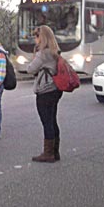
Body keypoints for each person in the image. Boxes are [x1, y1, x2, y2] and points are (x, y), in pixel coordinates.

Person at [26, 25, 63, 163]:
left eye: (36, 36)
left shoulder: (43, 54)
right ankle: (55, 151)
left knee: (46, 121)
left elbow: (31, 69)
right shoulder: (55, 51)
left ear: (42, 38)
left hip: (45, 90)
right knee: (53, 120)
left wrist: (34, 56)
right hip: (55, 89)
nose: (35, 39)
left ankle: (48, 153)